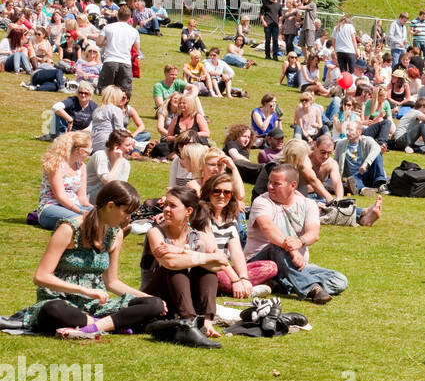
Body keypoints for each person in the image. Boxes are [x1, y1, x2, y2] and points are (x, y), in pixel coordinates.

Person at [15, 181, 168, 341]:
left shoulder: (116, 234)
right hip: (62, 301)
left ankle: (92, 327)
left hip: (95, 306)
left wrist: (147, 298)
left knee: (154, 305)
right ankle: (108, 325)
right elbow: (41, 276)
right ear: (110, 206)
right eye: (125, 212)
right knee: (53, 310)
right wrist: (84, 291)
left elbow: (112, 282)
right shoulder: (69, 229)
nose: (128, 218)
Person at [244, 164, 348, 304]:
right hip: (261, 262)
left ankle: (281, 284)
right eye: (269, 182)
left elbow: (313, 233)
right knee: (276, 246)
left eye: (276, 184)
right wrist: (293, 250)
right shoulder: (262, 202)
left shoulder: (308, 204)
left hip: (295, 266)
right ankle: (312, 288)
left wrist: (299, 242)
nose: (269, 187)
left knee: (339, 280)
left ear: (292, 185)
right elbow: (268, 229)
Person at [140, 187, 225, 340]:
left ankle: (206, 321)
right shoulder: (156, 232)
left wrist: (184, 252)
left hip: (182, 298)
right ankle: (189, 320)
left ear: (188, 211)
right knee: (176, 268)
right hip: (156, 300)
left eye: (172, 206)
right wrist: (202, 258)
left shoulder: (199, 235)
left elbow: (222, 262)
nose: (166, 209)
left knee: (207, 271)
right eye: (165, 205)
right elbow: (171, 263)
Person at [37, 131, 94, 229]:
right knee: (80, 219)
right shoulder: (56, 165)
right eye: (89, 151)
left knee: (100, 217)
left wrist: (93, 209)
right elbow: (60, 197)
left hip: (75, 207)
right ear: (80, 150)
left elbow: (82, 198)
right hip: (52, 206)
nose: (89, 155)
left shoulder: (82, 167)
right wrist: (80, 211)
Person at [95, 7, 139, 95]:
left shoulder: (108, 27)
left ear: (117, 16)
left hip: (110, 61)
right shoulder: (134, 31)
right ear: (130, 17)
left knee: (105, 91)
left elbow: (99, 42)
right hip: (125, 63)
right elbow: (137, 48)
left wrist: (108, 42)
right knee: (124, 93)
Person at [335, 119, 387, 195]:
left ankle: (380, 184)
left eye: (350, 130)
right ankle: (362, 189)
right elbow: (335, 161)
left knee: (377, 153)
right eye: (347, 130)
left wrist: (366, 163)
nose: (347, 133)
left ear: (359, 132)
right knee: (352, 179)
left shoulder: (367, 140)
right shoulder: (340, 144)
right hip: (353, 177)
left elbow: (377, 148)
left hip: (368, 173)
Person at [86, 129, 133, 202]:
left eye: (131, 145)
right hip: (89, 195)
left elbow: (121, 186)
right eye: (127, 145)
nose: (131, 148)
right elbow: (108, 182)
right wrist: (117, 161)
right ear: (116, 146)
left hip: (109, 196)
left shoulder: (126, 164)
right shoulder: (100, 155)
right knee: (108, 187)